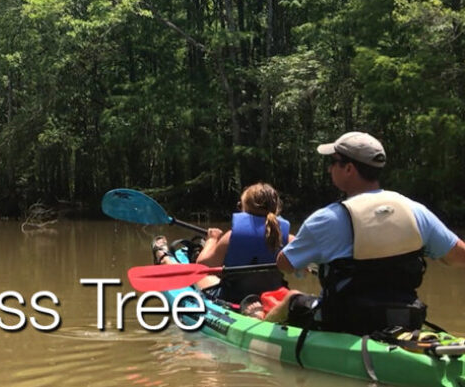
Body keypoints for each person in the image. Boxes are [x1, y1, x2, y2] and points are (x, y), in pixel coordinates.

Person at [277, 131, 465, 335]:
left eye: (333, 162)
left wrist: (308, 262)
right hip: (404, 321)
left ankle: (258, 324)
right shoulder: (415, 211)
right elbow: (459, 257)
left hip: (342, 324)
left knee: (292, 298)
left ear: (349, 168)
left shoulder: (325, 219)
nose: (330, 167)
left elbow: (284, 263)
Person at [195, 183, 296, 305]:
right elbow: (299, 269)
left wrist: (212, 239)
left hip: (234, 299)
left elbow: (202, 267)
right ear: (276, 207)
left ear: (244, 207)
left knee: (202, 278)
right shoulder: (290, 240)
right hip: (273, 298)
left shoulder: (230, 237)